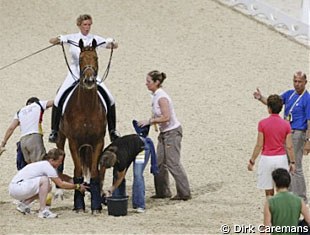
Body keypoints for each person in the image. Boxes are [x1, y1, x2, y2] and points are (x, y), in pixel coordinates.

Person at [48, 14, 120, 143]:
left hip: (91, 74)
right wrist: (59, 39)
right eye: (85, 25)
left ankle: (112, 131)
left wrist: (112, 42)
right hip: (75, 72)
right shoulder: (72, 38)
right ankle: (54, 131)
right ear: (79, 25)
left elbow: (113, 46)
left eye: (89, 25)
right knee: (58, 99)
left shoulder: (95, 39)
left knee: (110, 98)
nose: (87, 28)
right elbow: (52, 41)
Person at [254, 71, 310, 203]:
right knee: (288, 163)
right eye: (295, 81)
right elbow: (273, 103)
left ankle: (301, 197)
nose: (297, 84)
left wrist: (308, 140)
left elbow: (309, 121)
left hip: (298, 132)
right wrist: (260, 97)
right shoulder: (289, 94)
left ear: (305, 82)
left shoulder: (307, 99)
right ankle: (290, 192)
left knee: (296, 164)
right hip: (287, 132)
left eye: (299, 82)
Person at [138, 70, 191, 201]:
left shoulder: (161, 97)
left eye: (149, 81)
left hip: (172, 133)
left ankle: (184, 193)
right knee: (159, 163)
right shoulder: (155, 95)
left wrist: (149, 121)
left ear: (156, 82)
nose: (146, 84)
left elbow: (166, 117)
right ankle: (162, 191)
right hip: (164, 134)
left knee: (173, 163)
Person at [9, 148, 88, 219]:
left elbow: (61, 177)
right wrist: (77, 186)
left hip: (15, 188)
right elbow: (61, 184)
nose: (60, 163)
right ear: (52, 160)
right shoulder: (48, 167)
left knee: (48, 187)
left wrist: (75, 182)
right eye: (59, 161)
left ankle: (24, 205)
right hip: (18, 188)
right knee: (45, 180)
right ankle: (43, 211)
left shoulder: (44, 165)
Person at [99, 122, 158, 213]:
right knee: (116, 174)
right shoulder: (105, 155)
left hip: (141, 148)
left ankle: (139, 205)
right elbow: (102, 172)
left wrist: (112, 189)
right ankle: (118, 198)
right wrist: (101, 188)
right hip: (129, 146)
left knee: (137, 174)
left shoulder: (121, 160)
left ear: (115, 162)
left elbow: (120, 177)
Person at [248, 94, 296, 197]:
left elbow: (259, 145)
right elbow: (289, 146)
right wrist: (292, 162)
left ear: (269, 108)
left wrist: (252, 160)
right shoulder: (286, 124)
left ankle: (270, 212)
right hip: (281, 158)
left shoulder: (262, 123)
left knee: (269, 192)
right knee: (282, 190)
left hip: (267, 158)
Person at [0, 97, 53, 165]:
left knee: (30, 166)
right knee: (40, 164)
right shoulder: (38, 104)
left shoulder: (19, 112)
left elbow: (11, 128)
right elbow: (55, 102)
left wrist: (3, 144)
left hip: (23, 141)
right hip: (34, 137)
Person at [263, 168, 310, 233]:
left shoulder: (270, 202)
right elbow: (308, 220)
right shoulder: (299, 200)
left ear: (275, 183)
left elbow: (266, 229)